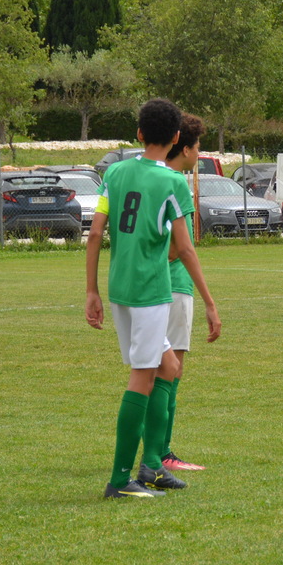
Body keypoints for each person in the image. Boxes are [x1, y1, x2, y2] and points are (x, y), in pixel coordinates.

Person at [86, 98, 217, 499]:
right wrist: (210, 302)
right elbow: (185, 248)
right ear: (177, 137)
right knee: (142, 378)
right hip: (150, 292)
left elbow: (95, 233)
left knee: (169, 366)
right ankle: (120, 480)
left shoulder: (115, 172)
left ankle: (153, 465)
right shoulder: (173, 182)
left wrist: (91, 290)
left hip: (119, 288)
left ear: (140, 133)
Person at [158, 113, 223, 472]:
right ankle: (163, 452)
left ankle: (153, 449)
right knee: (171, 371)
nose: (199, 154)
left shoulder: (148, 177)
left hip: (149, 290)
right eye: (198, 147)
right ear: (184, 148)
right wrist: (210, 303)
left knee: (152, 371)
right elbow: (177, 248)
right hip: (174, 287)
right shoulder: (174, 184)